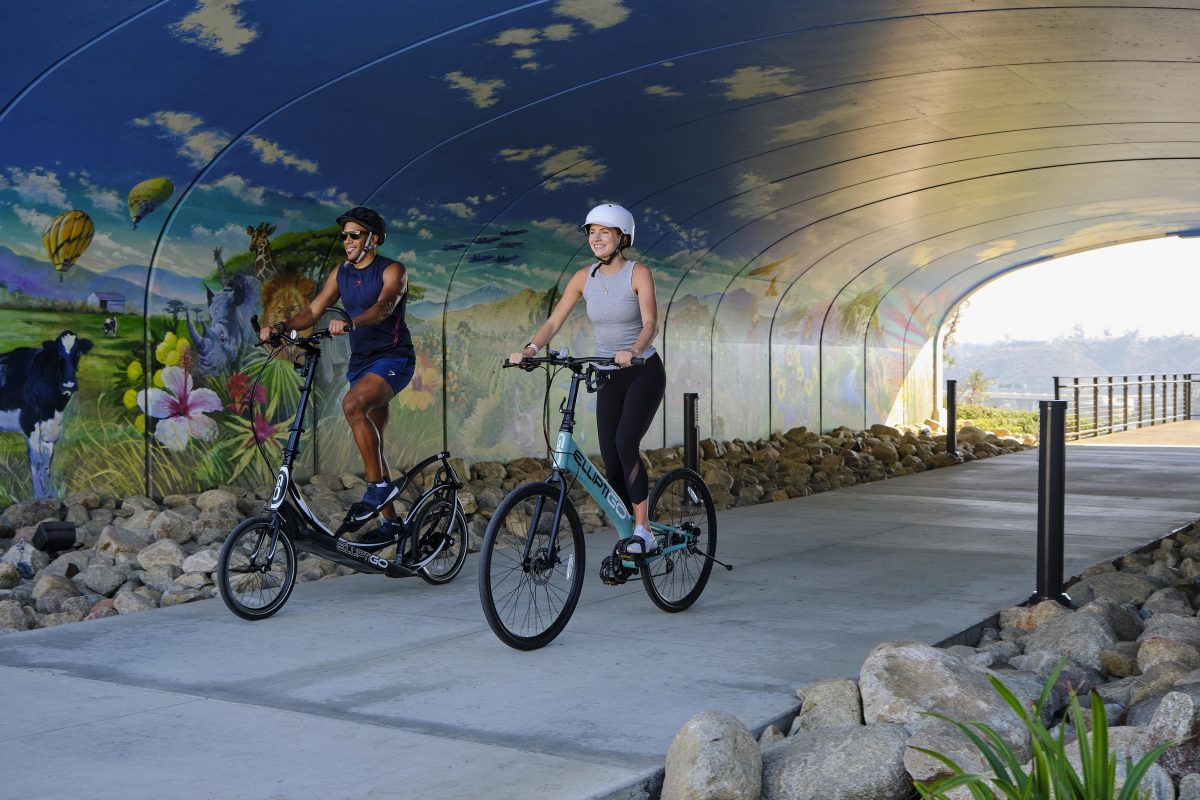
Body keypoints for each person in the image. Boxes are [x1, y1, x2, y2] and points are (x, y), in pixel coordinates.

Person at [508, 203, 666, 555]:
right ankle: (629, 530)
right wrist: (531, 349)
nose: (596, 239)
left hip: (641, 371)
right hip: (608, 375)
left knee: (626, 443)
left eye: (604, 232)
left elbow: (651, 322)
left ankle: (644, 530)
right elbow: (554, 321)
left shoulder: (638, 273)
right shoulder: (583, 277)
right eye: (591, 232)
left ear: (622, 237)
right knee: (610, 459)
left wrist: (634, 349)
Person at [259, 206, 414, 541]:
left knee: (352, 406)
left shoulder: (393, 271)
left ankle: (376, 488)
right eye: (344, 235)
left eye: (354, 234)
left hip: (394, 358)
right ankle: (391, 524)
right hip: (362, 361)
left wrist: (351, 322)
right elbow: (314, 310)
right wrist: (281, 327)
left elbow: (384, 307)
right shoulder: (342, 272)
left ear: (373, 239)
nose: (347, 241)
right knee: (376, 443)